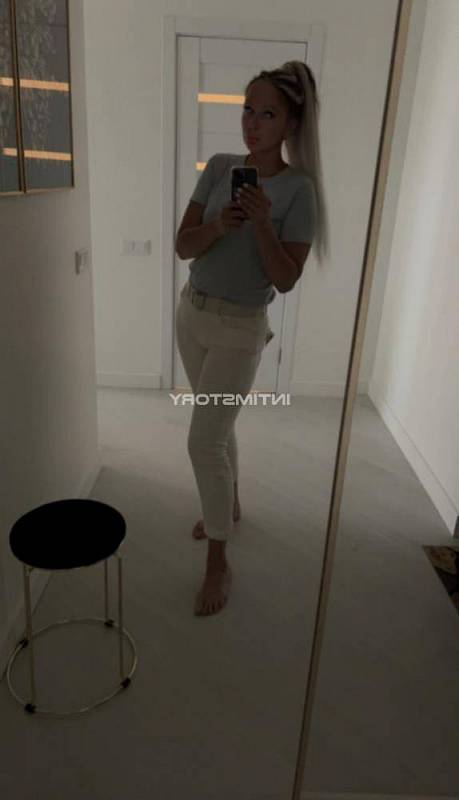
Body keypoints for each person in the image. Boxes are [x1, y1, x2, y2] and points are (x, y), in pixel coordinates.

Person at [175, 61, 329, 617]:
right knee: (218, 429)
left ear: (290, 125)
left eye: (267, 114)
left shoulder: (299, 190)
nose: (252, 123)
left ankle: (218, 560)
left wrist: (263, 223)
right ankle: (231, 505)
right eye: (247, 110)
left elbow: (285, 279)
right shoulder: (220, 167)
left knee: (203, 442)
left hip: (241, 328)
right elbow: (183, 246)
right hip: (192, 314)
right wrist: (222, 225)